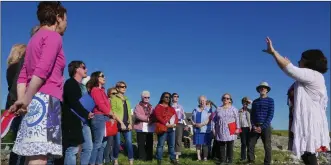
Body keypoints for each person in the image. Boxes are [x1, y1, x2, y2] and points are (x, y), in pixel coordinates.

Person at [8, 2, 67, 164]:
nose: (66, 24)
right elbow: (43, 69)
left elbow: (23, 75)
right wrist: (25, 100)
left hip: (34, 100)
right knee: (41, 155)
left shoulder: (34, 39)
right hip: (47, 100)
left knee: (32, 153)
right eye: (65, 20)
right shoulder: (54, 36)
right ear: (58, 18)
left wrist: (23, 100)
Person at [263, 37, 330, 165]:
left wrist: (274, 53)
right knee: (307, 153)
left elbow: (290, 70)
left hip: (309, 120)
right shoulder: (312, 76)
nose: (298, 61)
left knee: (308, 152)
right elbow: (292, 70)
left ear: (309, 62)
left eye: (301, 59)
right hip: (306, 118)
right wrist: (289, 65)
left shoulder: (313, 75)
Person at [62, 61, 94, 165]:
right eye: (83, 67)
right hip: (73, 120)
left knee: (88, 147)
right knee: (72, 149)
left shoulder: (81, 86)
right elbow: (74, 102)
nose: (86, 70)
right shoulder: (70, 83)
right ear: (76, 69)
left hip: (83, 120)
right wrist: (86, 113)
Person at [88, 71, 113, 165]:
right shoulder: (95, 90)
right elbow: (100, 104)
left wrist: (109, 115)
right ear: (97, 78)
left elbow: (106, 105)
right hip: (99, 117)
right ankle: (92, 163)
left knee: (103, 144)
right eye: (102, 76)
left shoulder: (102, 90)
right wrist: (110, 113)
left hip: (105, 117)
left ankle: (99, 162)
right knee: (98, 143)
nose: (104, 77)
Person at [248, 82, 274, 165]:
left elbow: (270, 115)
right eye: (261, 88)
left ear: (267, 90)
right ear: (259, 90)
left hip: (265, 126)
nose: (262, 89)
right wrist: (253, 126)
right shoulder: (255, 102)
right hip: (255, 126)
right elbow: (252, 115)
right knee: (251, 144)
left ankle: (267, 163)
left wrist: (262, 127)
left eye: (264, 88)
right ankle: (251, 161)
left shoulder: (271, 100)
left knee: (267, 146)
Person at [212, 93, 240, 164]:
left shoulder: (234, 109)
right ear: (222, 99)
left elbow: (237, 119)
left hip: (231, 128)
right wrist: (213, 129)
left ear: (230, 100)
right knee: (221, 145)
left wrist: (237, 128)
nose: (226, 99)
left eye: (227, 98)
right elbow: (213, 120)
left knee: (230, 145)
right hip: (221, 128)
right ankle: (223, 160)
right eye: (224, 98)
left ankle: (230, 160)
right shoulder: (218, 109)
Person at [111, 81, 134, 165]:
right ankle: (115, 160)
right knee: (117, 143)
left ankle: (131, 161)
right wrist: (121, 123)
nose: (124, 88)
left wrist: (131, 123)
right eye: (122, 86)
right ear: (117, 88)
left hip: (127, 124)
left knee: (129, 142)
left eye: (125, 87)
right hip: (117, 123)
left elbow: (129, 113)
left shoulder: (127, 99)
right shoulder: (114, 99)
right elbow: (114, 112)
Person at [153, 92, 178, 165]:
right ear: (162, 98)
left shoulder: (171, 108)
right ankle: (159, 159)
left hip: (171, 129)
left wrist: (174, 124)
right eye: (166, 97)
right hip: (163, 128)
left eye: (169, 97)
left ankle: (172, 159)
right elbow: (158, 117)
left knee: (171, 145)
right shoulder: (158, 107)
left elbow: (176, 117)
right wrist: (167, 124)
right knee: (161, 145)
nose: (168, 98)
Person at [133, 91, 154, 161]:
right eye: (145, 97)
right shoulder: (137, 106)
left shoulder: (151, 107)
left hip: (149, 127)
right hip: (140, 127)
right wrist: (147, 118)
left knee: (150, 143)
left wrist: (151, 120)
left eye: (148, 97)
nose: (147, 98)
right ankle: (142, 158)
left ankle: (149, 158)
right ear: (142, 97)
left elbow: (153, 115)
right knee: (141, 144)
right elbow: (137, 115)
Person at [103, 87, 117, 164]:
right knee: (109, 142)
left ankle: (112, 157)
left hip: (115, 123)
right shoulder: (108, 101)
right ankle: (106, 158)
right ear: (109, 94)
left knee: (114, 142)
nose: (115, 95)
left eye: (116, 93)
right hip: (109, 123)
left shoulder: (116, 101)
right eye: (113, 93)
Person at [171, 93, 186, 160]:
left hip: (179, 124)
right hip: (171, 124)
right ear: (172, 98)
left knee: (178, 140)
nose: (176, 97)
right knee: (171, 139)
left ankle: (177, 156)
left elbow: (184, 116)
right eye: (175, 96)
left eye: (177, 96)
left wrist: (185, 124)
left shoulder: (181, 106)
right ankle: (171, 154)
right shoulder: (170, 106)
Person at [238, 97, 252, 161]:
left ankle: (250, 157)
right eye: (244, 103)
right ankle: (243, 157)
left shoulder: (250, 110)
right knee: (243, 143)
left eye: (246, 103)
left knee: (249, 143)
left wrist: (249, 102)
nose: (245, 104)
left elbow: (254, 106)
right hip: (242, 128)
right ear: (242, 103)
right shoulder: (239, 111)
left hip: (249, 128)